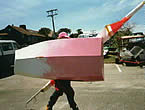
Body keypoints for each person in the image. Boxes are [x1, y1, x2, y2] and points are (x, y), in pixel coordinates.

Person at [46, 32, 79, 110]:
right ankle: (74, 107)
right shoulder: (57, 49)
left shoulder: (66, 48)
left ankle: (49, 106)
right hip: (60, 74)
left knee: (59, 91)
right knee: (69, 92)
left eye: (66, 39)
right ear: (60, 40)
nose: (65, 40)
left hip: (66, 74)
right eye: (63, 39)